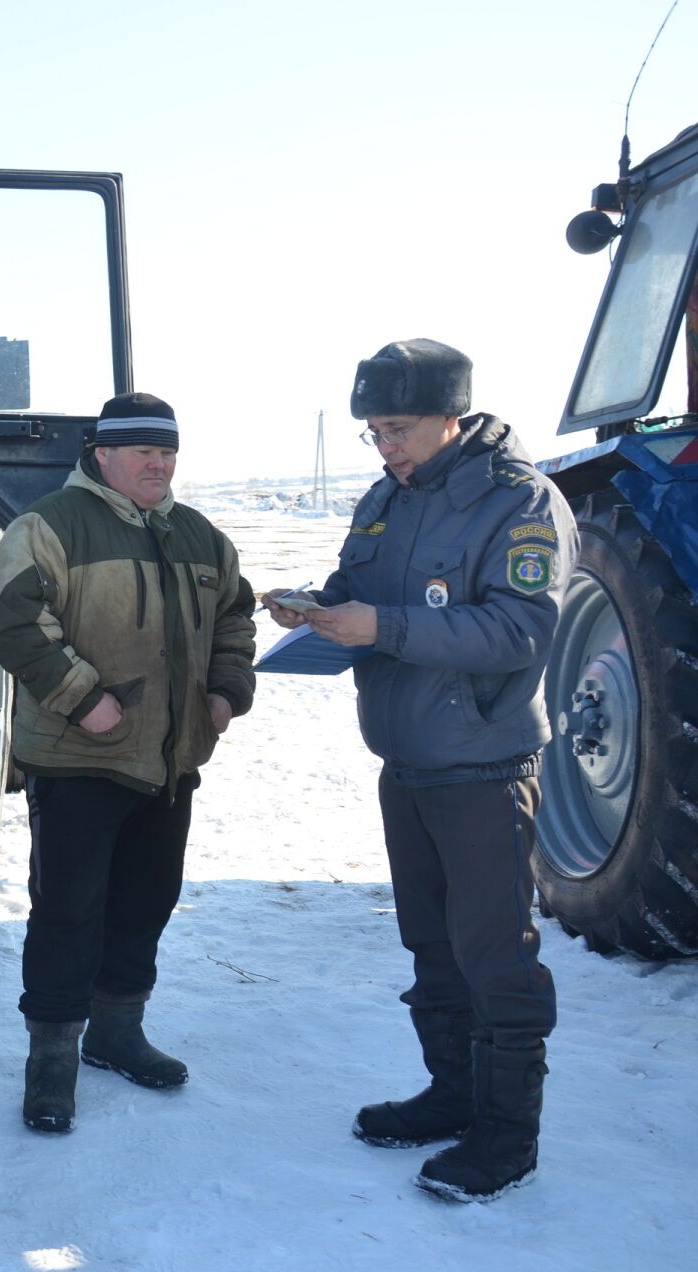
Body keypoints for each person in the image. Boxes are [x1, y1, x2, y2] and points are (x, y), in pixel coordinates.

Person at [265, 338, 576, 1202]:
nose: (385, 447)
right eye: (373, 432)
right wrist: (319, 608)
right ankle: (453, 1094)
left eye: (396, 429)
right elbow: (361, 585)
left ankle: (507, 1137)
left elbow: (517, 632)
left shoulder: (519, 504)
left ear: (453, 416)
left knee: (496, 957)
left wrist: (382, 629)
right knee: (433, 948)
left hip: (482, 767)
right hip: (407, 765)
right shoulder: (385, 499)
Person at [0, 391, 256, 1134]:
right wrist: (80, 694)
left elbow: (236, 617)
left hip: (168, 763)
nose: (159, 464)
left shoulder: (198, 536)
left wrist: (228, 692)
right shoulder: (52, 525)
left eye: (167, 452)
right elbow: (10, 616)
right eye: (143, 451)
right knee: (69, 912)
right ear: (102, 454)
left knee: (147, 901)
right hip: (78, 758)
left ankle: (118, 1030)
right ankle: (52, 1060)